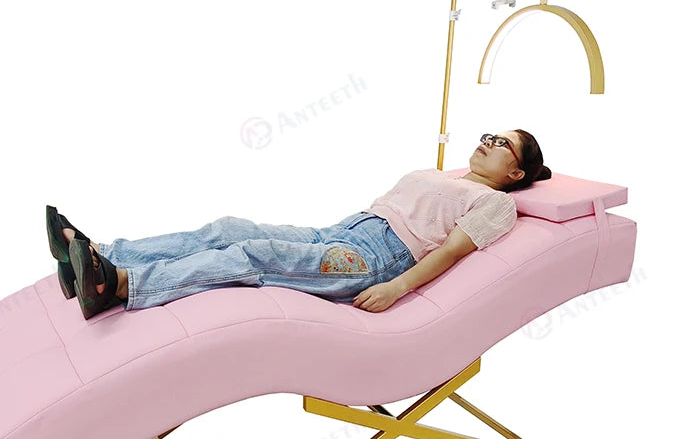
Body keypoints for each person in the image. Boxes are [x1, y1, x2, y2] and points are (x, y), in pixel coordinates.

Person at [46, 129, 551, 318]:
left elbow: (451, 251)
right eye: (489, 134)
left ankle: (118, 285)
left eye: (502, 144)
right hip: (343, 232)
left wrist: (397, 287)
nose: (487, 142)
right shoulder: (446, 175)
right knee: (229, 228)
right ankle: (102, 253)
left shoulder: (495, 204)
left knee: (251, 257)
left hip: (374, 260)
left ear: (516, 173)